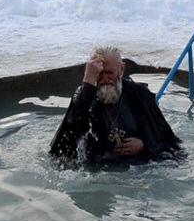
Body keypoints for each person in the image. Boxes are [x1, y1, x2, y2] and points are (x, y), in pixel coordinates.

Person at [50, 46, 185, 165]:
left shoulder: (139, 95)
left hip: (138, 169)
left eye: (109, 73)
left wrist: (144, 145)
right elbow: (68, 140)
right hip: (98, 169)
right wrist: (88, 82)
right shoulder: (84, 96)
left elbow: (167, 140)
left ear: (121, 69)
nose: (104, 79)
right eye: (99, 74)